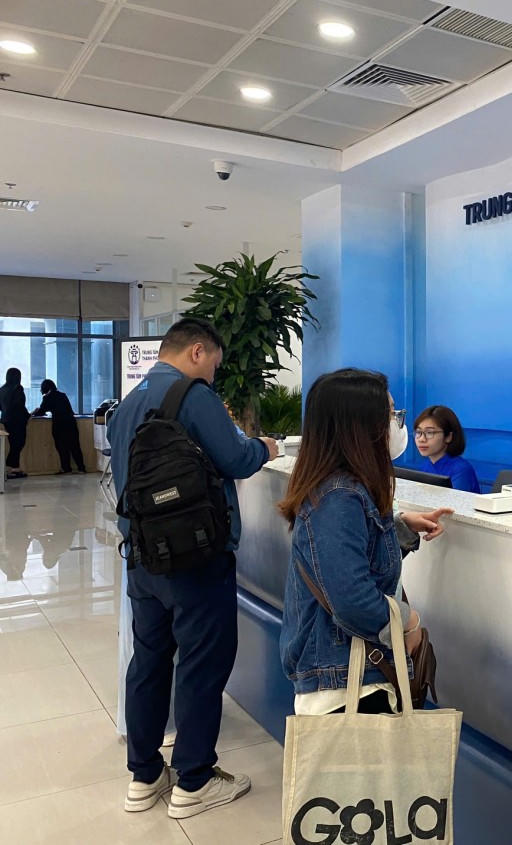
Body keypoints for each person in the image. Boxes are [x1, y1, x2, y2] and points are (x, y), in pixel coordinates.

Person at [107, 317, 278, 817]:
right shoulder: (192, 395)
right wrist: (264, 447)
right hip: (196, 558)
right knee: (202, 665)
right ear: (197, 351)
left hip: (142, 558)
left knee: (149, 662)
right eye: (214, 366)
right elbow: (237, 458)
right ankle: (194, 781)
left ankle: (144, 776)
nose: (213, 376)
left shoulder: (127, 404)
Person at [279, 369, 452, 716]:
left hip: (352, 679)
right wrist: (408, 622)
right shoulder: (338, 498)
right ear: (360, 426)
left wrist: (398, 528)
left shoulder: (346, 490)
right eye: (389, 414)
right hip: (344, 687)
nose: (397, 424)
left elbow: (353, 558)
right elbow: (351, 598)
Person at [413, 405, 481, 493]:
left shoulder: (461, 470)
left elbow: (454, 501)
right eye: (418, 432)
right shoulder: (426, 466)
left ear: (448, 436)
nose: (421, 439)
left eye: (429, 433)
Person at [31, 378, 85, 474]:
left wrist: (34, 412)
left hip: (59, 425)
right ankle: (81, 468)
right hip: (71, 423)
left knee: (62, 447)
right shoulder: (62, 395)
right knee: (75, 446)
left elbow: (41, 411)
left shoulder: (48, 397)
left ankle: (66, 468)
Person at [0, 367, 29, 478]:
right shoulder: (17, 388)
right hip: (18, 420)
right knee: (18, 444)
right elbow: (19, 405)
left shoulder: (2, 389)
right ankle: (9, 468)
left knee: (14, 444)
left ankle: (15, 468)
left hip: (7, 420)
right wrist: (28, 415)